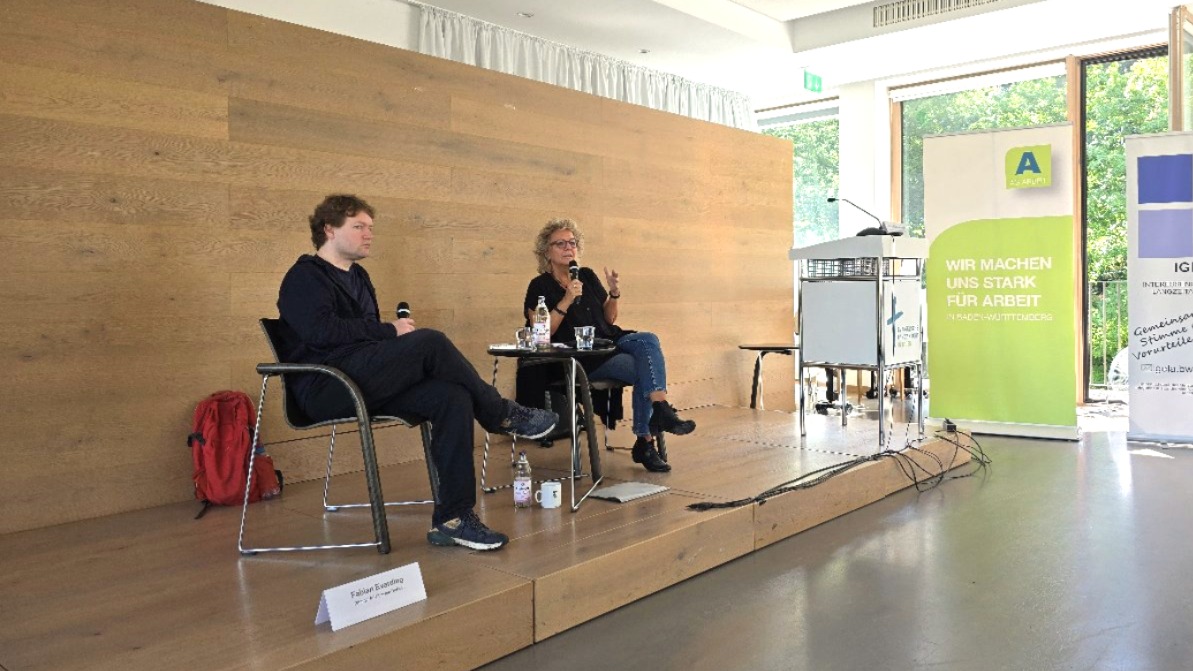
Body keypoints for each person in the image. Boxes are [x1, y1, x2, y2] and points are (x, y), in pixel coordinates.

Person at [276, 194, 558, 552]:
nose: (368, 234)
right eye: (358, 227)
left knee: (451, 397)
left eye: (370, 228)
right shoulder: (304, 276)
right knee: (431, 342)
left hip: (364, 378)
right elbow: (321, 334)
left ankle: (453, 518)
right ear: (329, 230)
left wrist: (390, 342)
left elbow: (366, 343)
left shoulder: (359, 277)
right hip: (328, 386)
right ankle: (501, 413)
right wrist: (391, 332)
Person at [521, 218, 695, 473]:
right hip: (581, 356)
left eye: (572, 242)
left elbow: (610, 318)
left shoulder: (587, 275)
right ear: (546, 251)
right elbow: (542, 333)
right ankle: (647, 438)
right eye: (560, 243)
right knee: (643, 369)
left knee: (649, 339)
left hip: (609, 341)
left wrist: (613, 294)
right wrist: (567, 298)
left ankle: (659, 409)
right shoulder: (540, 286)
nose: (568, 248)